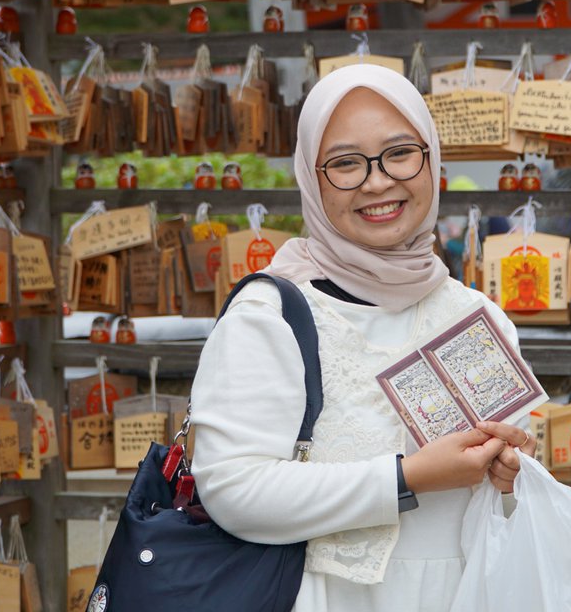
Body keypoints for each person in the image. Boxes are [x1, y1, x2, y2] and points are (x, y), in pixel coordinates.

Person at [189, 64, 536, 612]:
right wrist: (408, 478)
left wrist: (514, 479)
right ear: (312, 177)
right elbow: (233, 490)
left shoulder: (477, 317)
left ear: (431, 157)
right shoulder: (272, 314)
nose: (378, 182)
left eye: (400, 153)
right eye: (346, 164)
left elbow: (517, 510)